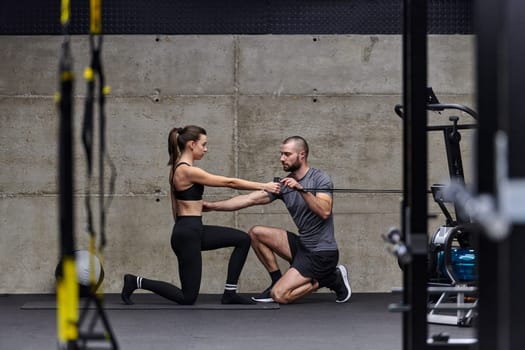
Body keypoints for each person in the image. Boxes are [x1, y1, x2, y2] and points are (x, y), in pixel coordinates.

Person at [121, 125, 280, 305]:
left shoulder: (175, 168)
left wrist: (181, 227)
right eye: (203, 144)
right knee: (187, 297)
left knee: (243, 239)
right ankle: (136, 281)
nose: (206, 149)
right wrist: (264, 186)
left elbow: (174, 202)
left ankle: (230, 293)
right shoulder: (187, 171)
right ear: (191, 144)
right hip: (188, 234)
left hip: (190, 230)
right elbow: (230, 182)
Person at [203, 136, 351, 304]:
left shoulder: (320, 179)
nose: (282, 158)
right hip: (303, 247)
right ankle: (276, 280)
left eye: (287, 154)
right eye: (281, 154)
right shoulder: (284, 185)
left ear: (301, 155)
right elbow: (249, 199)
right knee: (256, 233)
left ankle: (329, 278)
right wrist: (211, 206)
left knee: (279, 296)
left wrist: (302, 190)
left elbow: (324, 212)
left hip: (322, 253)